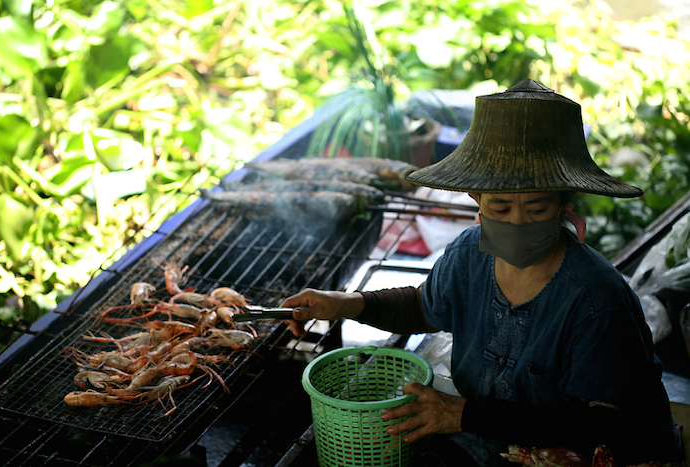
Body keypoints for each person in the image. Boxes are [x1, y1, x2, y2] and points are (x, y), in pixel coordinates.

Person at [282, 79, 685, 466]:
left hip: (597, 449)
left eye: (538, 209)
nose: (518, 222)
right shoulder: (467, 255)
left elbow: (599, 424)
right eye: (500, 208)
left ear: (566, 202)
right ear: (476, 199)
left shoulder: (595, 300)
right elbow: (425, 307)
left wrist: (464, 415)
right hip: (496, 438)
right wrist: (344, 303)